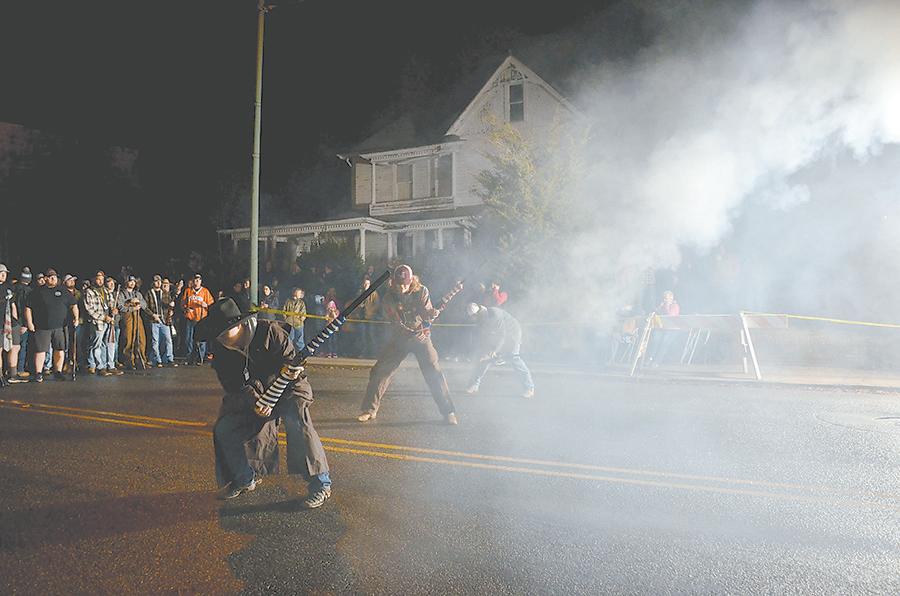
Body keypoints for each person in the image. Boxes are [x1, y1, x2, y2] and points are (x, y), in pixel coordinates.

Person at [201, 298, 332, 508]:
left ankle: (321, 484)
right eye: (218, 334)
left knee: (298, 421)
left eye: (225, 331)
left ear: (240, 325)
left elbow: (291, 360)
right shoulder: (221, 348)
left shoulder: (270, 331)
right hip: (255, 396)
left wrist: (292, 369)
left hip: (289, 389)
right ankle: (244, 478)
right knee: (225, 429)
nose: (221, 338)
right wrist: (256, 401)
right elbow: (232, 384)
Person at [357, 264, 458, 425]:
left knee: (433, 370)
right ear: (393, 282)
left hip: (421, 338)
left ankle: (448, 412)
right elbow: (395, 321)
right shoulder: (389, 297)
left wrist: (432, 314)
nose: (402, 287)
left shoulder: (422, 291)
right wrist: (411, 330)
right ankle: (369, 410)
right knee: (379, 371)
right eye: (398, 284)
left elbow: (426, 314)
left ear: (412, 280)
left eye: (405, 283)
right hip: (399, 338)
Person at [464, 303, 534, 398]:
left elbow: (502, 335)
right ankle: (474, 385)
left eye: (474, 317)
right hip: (497, 336)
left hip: (513, 333)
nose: (473, 319)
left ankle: (529, 388)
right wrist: (485, 351)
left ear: (478, 313)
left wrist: (495, 350)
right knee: (484, 358)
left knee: (514, 358)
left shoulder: (495, 315)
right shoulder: (480, 319)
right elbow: (484, 336)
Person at [24, 269, 78, 382]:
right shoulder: (37, 292)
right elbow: (28, 308)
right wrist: (29, 322)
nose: (53, 279)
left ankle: (58, 371)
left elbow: (73, 305)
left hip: (60, 327)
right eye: (51, 277)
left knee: (60, 349)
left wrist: (76, 318)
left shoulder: (63, 291)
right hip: (42, 327)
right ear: (45, 278)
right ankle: (39, 373)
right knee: (40, 350)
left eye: (55, 277)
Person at [181, 273, 214, 365]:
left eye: (198, 280)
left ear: (201, 281)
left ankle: (200, 358)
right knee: (189, 339)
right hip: (190, 318)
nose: (196, 281)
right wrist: (185, 308)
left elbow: (211, 304)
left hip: (201, 319)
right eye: (195, 280)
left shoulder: (205, 291)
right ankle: (189, 358)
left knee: (201, 340)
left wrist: (206, 305)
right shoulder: (188, 291)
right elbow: (182, 303)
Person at [146, 274, 177, 368]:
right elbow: (146, 307)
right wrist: (152, 315)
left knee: (168, 340)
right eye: (156, 281)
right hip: (154, 321)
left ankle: (170, 358)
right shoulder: (149, 293)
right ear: (153, 283)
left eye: (159, 281)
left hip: (164, 320)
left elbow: (168, 305)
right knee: (155, 341)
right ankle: (157, 359)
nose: (158, 283)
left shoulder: (164, 293)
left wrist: (171, 308)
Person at [117, 275, 148, 370]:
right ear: (126, 282)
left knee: (141, 339)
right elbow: (120, 306)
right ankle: (129, 361)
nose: (132, 283)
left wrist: (138, 302)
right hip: (127, 317)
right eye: (130, 281)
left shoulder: (137, 294)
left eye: (134, 282)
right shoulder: (121, 293)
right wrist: (130, 303)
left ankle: (141, 360)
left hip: (137, 317)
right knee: (128, 339)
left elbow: (144, 305)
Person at [282, 287, 307, 353]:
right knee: (289, 338)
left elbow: (304, 313)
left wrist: (300, 320)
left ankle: (301, 353)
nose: (300, 294)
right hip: (289, 323)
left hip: (299, 324)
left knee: (299, 340)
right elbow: (284, 311)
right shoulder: (288, 301)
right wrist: (286, 319)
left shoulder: (301, 303)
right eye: (299, 293)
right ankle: (288, 352)